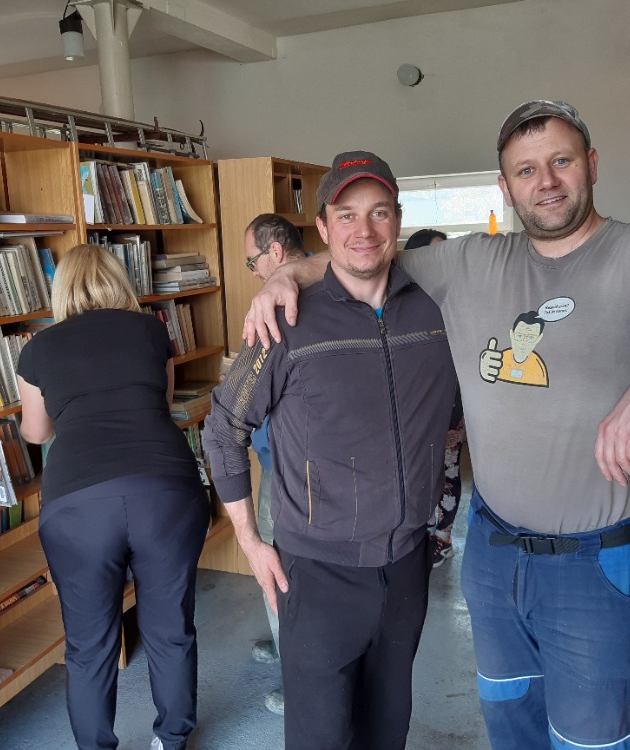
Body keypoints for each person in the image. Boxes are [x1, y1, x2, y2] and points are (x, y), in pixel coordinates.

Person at [240, 102, 630, 749]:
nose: (547, 181)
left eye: (561, 161)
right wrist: (289, 272)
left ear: (591, 164)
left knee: (594, 738)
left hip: (595, 561)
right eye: (526, 170)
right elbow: (361, 262)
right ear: (505, 187)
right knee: (511, 728)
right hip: (493, 554)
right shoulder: (471, 262)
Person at [203, 151, 457, 750]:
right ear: (322, 228)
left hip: (407, 562)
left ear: (398, 220)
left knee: (387, 728)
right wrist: (249, 542)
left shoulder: (436, 311)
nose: (363, 230)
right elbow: (223, 427)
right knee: (319, 735)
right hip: (317, 574)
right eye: (346, 215)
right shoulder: (285, 320)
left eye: (378, 212)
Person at [16, 244, 209, 750]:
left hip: (79, 504)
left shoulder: (39, 348)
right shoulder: (152, 331)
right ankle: (171, 740)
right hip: (165, 491)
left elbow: (36, 433)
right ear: (118, 281)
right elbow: (162, 402)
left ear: (62, 288)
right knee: (170, 628)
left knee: (89, 644)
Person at [242, 213, 306, 716]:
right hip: (297, 457)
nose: (254, 272)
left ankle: (297, 674)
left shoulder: (280, 304)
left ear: (276, 252)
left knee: (276, 564)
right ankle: (290, 647)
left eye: (253, 261)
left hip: (288, 463)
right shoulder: (329, 283)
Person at [404, 227, 465, 567]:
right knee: (419, 469)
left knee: (448, 467)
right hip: (415, 401)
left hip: (451, 397)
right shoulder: (403, 299)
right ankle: (420, 534)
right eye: (435, 253)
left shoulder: (456, 297)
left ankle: (442, 539)